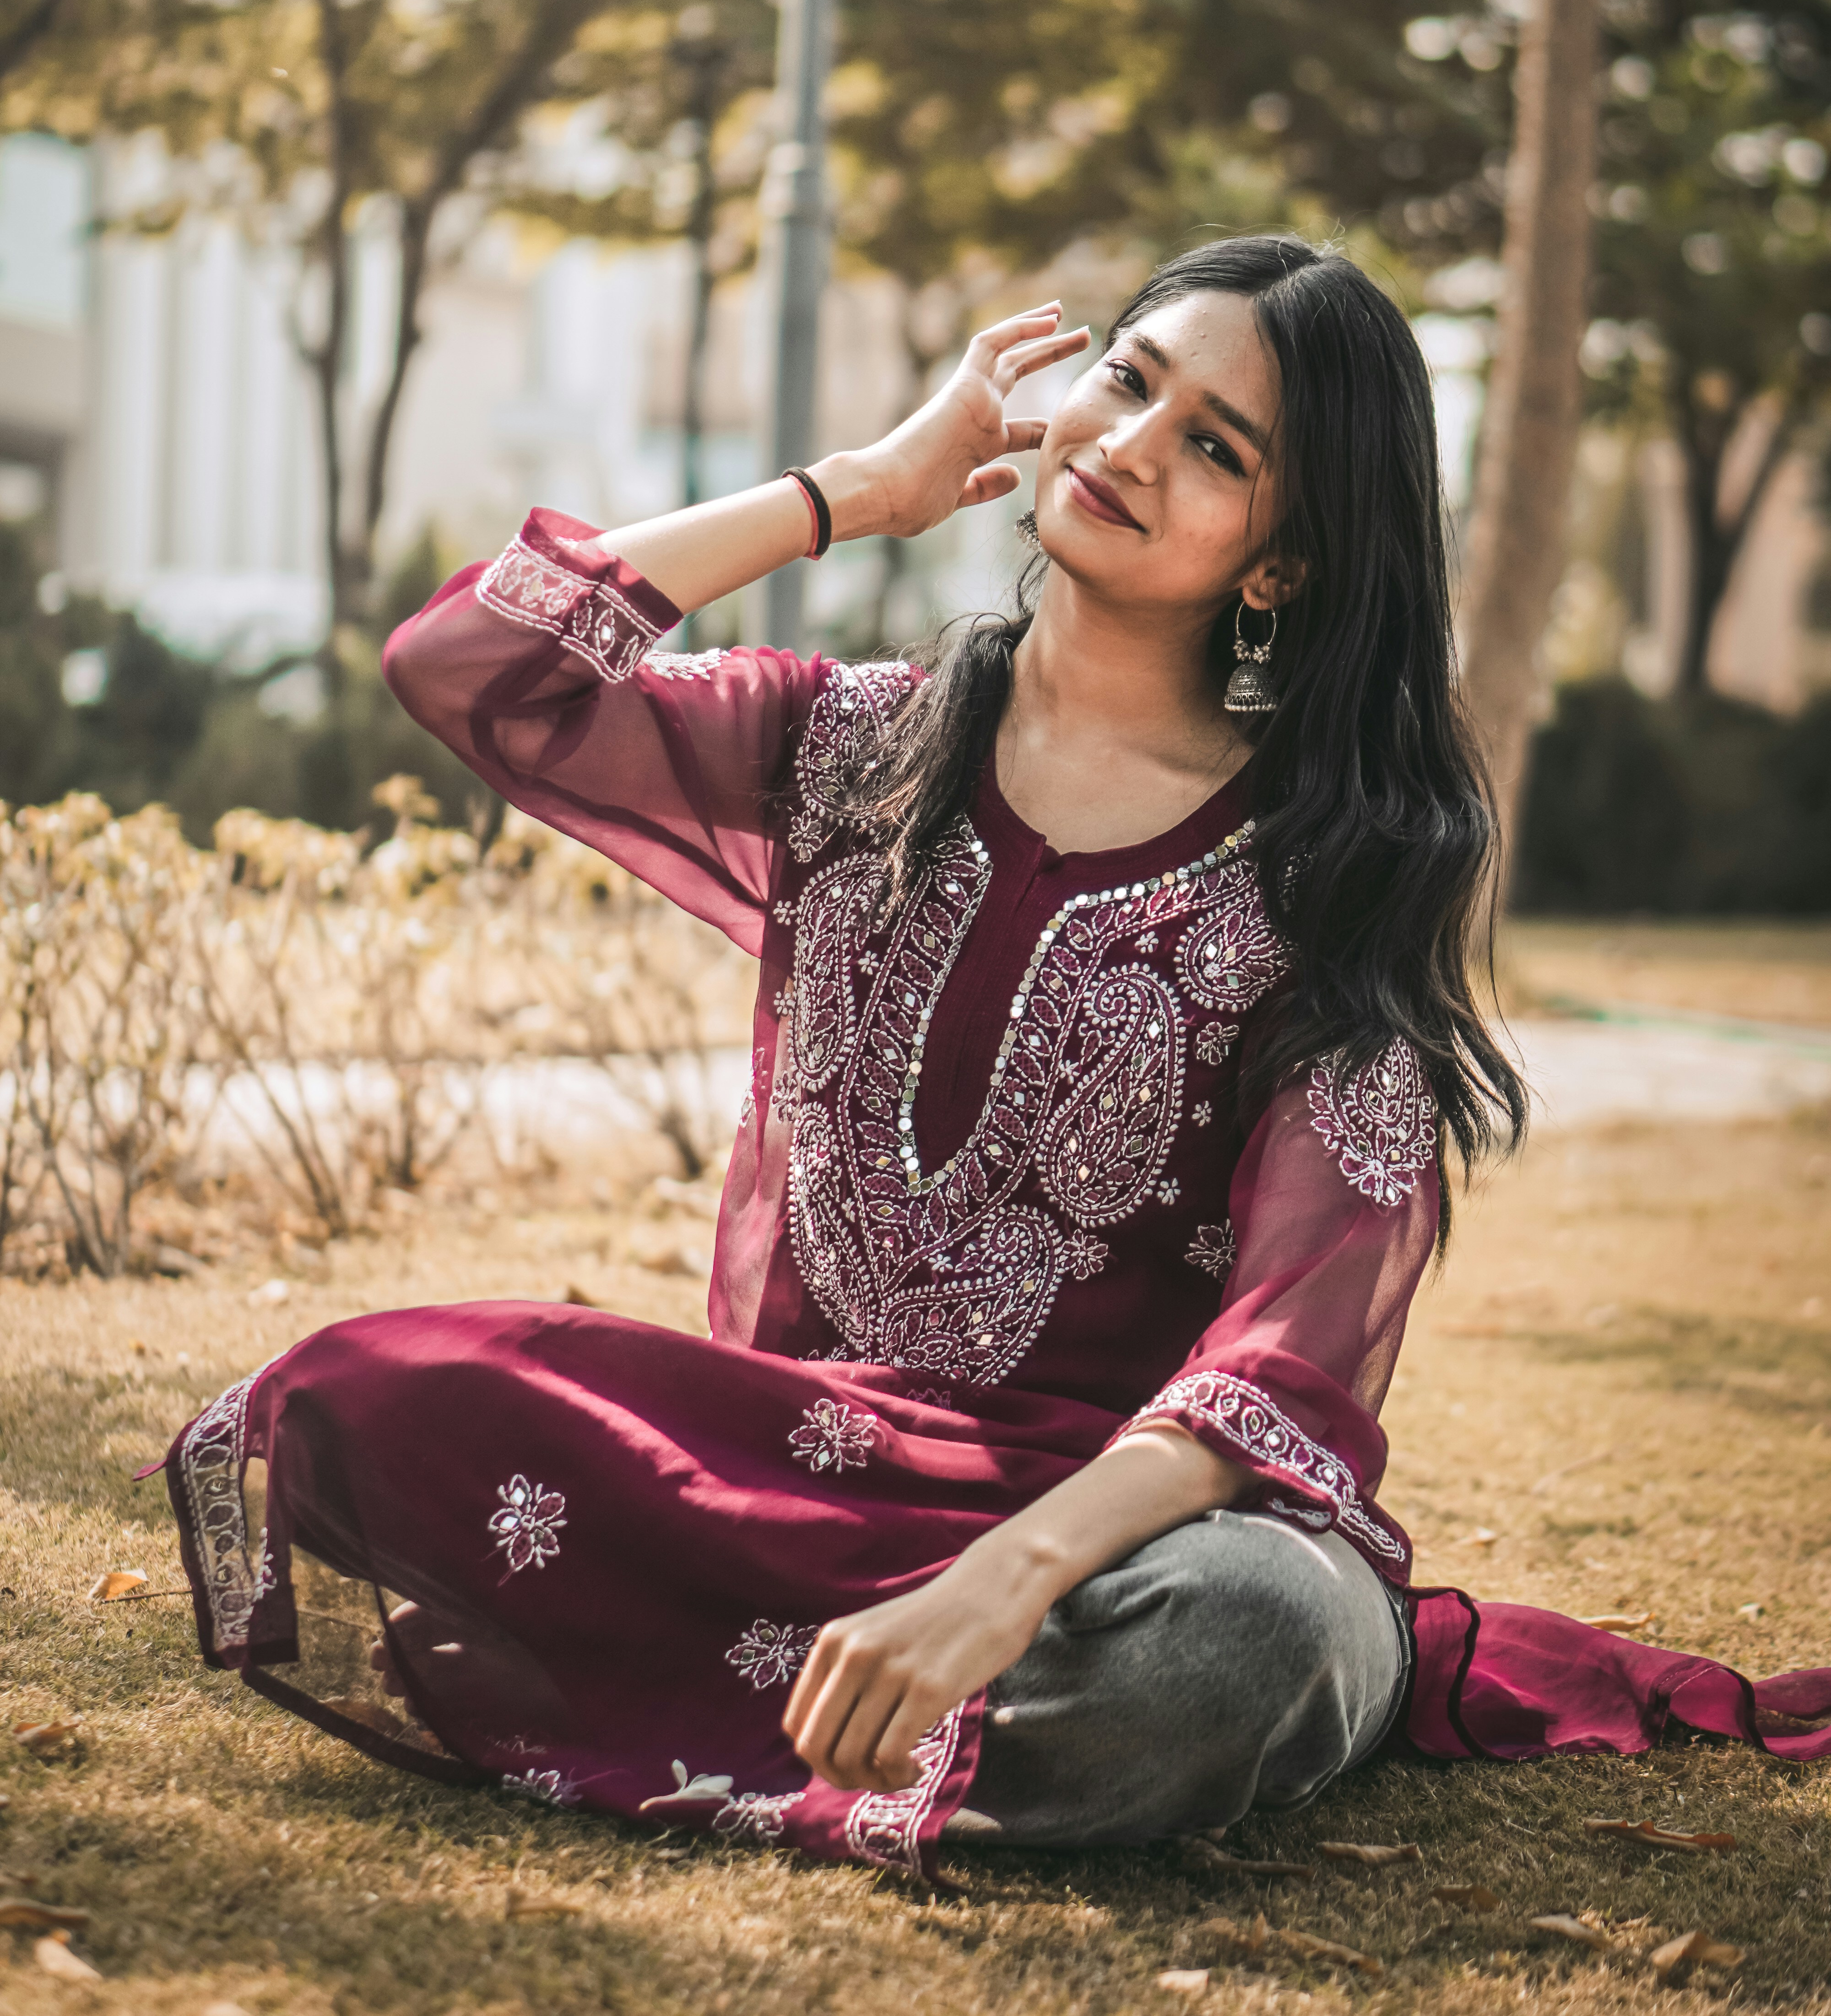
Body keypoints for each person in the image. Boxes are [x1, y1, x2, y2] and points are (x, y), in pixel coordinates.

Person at [161, 238, 1831, 1874]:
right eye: (1129, 380)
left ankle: (768, 1698)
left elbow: (1286, 1365)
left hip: (1123, 1542)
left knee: (1254, 1630)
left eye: (1214, 449)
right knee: (352, 1395)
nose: (1127, 446)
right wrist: (857, 493)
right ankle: (853, 1719)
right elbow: (470, 670)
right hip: (793, 1478)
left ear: (1284, 562)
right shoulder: (848, 744)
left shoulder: (1329, 890)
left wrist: (998, 1585)